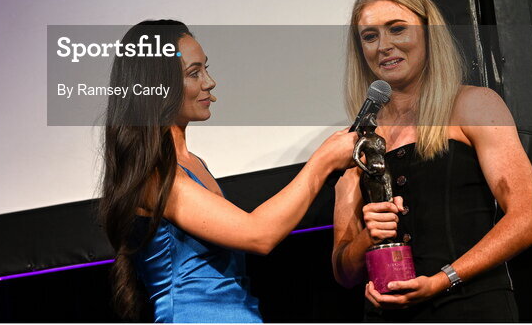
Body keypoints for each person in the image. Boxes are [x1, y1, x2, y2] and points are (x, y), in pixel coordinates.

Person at [99, 20, 356, 322]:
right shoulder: (156, 178)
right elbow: (259, 235)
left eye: (205, 69)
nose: (209, 82)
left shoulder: (194, 164)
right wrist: (322, 161)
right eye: (194, 73)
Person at [331, 0, 532, 321]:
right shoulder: (355, 139)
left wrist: (443, 279)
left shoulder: (474, 105)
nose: (384, 46)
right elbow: (345, 272)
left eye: (397, 29)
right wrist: (365, 240)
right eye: (370, 36)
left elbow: (529, 219)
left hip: (472, 309)